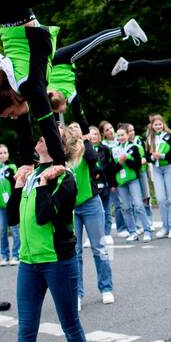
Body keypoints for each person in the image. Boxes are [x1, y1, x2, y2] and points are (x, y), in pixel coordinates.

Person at [0, 0, 128, 166]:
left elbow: (47, 128)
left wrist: (59, 165)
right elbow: (34, 132)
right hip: (0, 6)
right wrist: (28, 164)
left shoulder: (28, 86)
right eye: (9, 115)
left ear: (11, 98)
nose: (14, 118)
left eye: (9, 115)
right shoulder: (19, 83)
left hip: (0, 7)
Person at [0, 128, 92, 342]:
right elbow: (12, 217)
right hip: (28, 263)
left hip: (58, 262)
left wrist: (45, 183)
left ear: (54, 145)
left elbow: (42, 215)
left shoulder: (66, 178)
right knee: (26, 331)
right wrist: (20, 182)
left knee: (70, 325)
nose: (35, 139)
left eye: (43, 137)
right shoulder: (31, 172)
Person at [48, 20, 148, 133]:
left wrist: (86, 134)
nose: (62, 112)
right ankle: (125, 30)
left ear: (64, 101)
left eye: (62, 109)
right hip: (54, 63)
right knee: (94, 41)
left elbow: (79, 114)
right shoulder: (47, 94)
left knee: (95, 40)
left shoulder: (71, 94)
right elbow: (54, 114)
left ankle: (125, 29)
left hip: (62, 60)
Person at [67, 124, 115, 309]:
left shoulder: (86, 147)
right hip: (71, 207)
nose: (74, 129)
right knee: (75, 252)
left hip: (91, 203)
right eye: (71, 127)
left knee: (100, 247)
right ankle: (77, 293)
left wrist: (85, 139)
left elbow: (94, 159)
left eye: (77, 127)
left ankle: (106, 288)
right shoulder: (64, 151)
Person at [145, 114, 171, 240]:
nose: (158, 126)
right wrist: (152, 157)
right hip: (156, 169)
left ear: (163, 124)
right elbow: (147, 156)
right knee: (160, 199)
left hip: (169, 168)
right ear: (152, 126)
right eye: (155, 124)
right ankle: (165, 227)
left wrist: (163, 156)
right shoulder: (149, 139)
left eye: (160, 124)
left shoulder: (169, 136)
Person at [0, 144, 20, 266]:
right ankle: (4, 256)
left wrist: (10, 174)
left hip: (11, 205)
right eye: (0, 153)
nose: (3, 155)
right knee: (2, 231)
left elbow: (16, 183)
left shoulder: (12, 167)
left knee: (15, 230)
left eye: (5, 152)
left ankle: (16, 255)